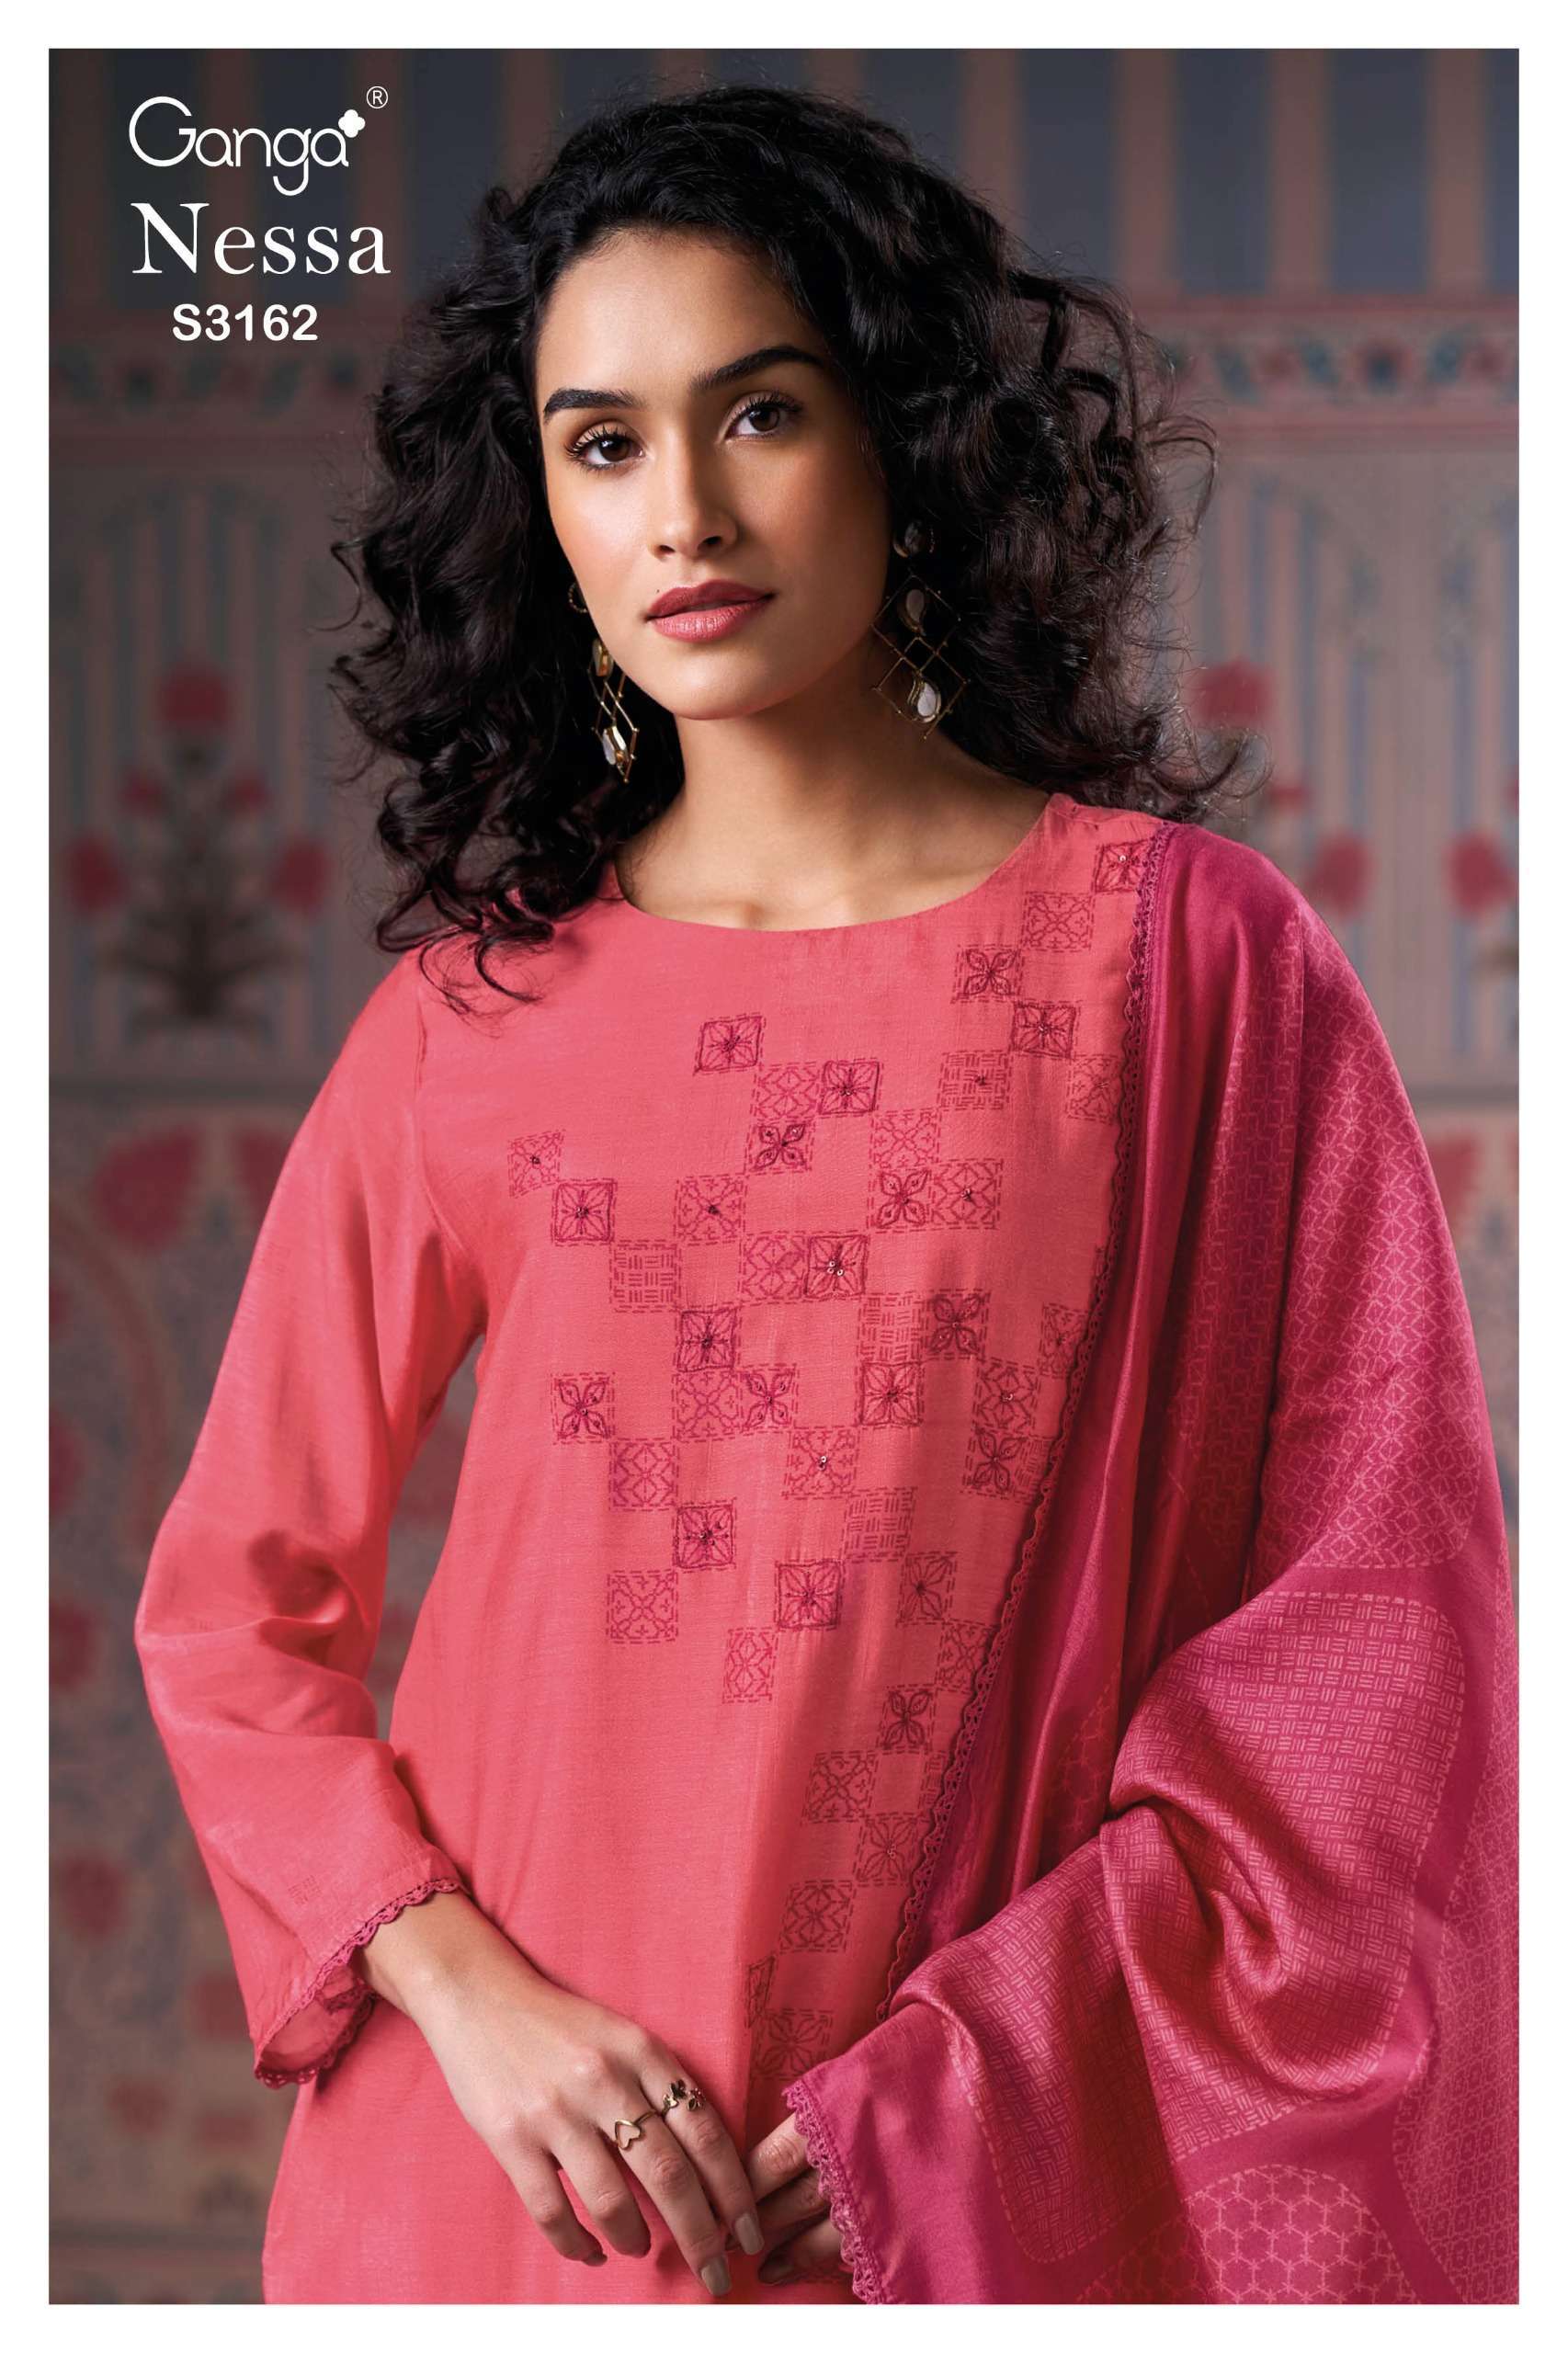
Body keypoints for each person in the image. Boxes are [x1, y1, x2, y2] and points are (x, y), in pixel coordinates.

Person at [132, 83, 1517, 2305]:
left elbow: (1381, 1626)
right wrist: (465, 1996)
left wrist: (965, 2082)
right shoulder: (471, 1021)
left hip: (969, 2190)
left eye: (758, 412)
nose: (682, 510)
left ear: (906, 436)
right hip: (510, 2175)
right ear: (541, 509)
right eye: (602, 443)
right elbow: (229, 1613)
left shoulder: (1190, 964)